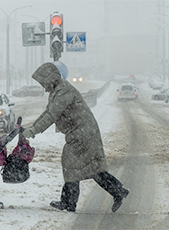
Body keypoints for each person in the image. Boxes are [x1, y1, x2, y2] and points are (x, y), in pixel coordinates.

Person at [22, 62, 129, 213]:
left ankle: (68, 203)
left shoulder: (63, 91)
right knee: (91, 167)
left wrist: (34, 131)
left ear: (50, 78)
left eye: (43, 82)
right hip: (81, 133)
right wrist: (32, 127)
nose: (43, 87)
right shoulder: (57, 91)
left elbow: (53, 115)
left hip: (82, 133)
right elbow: (47, 112)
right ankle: (117, 191)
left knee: (72, 165)